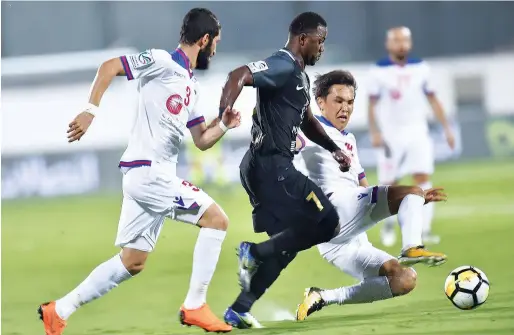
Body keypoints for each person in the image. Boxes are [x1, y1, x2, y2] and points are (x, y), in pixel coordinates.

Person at [38, 8, 238, 334]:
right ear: (204, 40)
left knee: (133, 261)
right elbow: (109, 66)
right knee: (217, 219)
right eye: (215, 42)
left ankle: (58, 311)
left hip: (147, 176)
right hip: (149, 173)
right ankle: (195, 305)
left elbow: (202, 139)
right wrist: (90, 111)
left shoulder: (192, 85)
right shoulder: (161, 61)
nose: (215, 50)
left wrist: (225, 126)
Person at [217, 12, 351, 329]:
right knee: (328, 221)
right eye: (320, 42)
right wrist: (224, 112)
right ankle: (254, 251)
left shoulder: (299, 78)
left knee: (288, 243)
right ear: (303, 39)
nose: (322, 49)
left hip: (261, 168)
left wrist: (333, 149)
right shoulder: (282, 65)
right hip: (272, 166)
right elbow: (239, 74)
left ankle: (239, 308)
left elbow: (306, 121)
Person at [293, 70, 447, 321]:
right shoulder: (311, 130)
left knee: (403, 280)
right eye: (339, 101)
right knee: (410, 192)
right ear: (320, 102)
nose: (346, 108)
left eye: (350, 102)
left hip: (341, 243)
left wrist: (412, 199)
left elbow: (364, 184)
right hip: (332, 214)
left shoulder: (348, 139)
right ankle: (412, 247)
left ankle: (322, 297)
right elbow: (290, 142)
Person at [367, 26, 455, 247]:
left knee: (422, 177)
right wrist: (375, 132)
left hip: (418, 131)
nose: (401, 44)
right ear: (389, 44)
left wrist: (447, 128)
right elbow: (371, 105)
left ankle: (424, 230)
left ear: (410, 43)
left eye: (404, 40)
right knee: (389, 183)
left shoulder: (421, 68)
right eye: (396, 40)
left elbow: (434, 99)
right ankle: (388, 226)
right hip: (391, 134)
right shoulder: (378, 71)